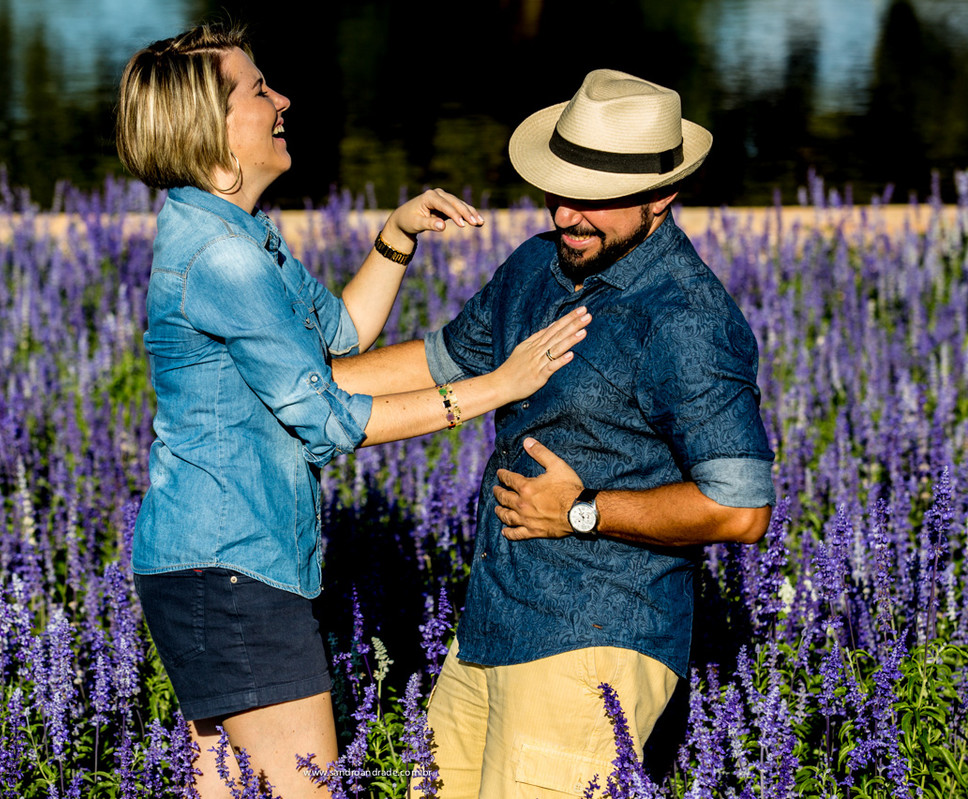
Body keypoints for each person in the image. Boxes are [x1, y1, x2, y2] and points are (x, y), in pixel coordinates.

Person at [114, 23, 592, 799]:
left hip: (214, 564)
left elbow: (337, 334)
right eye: (258, 90)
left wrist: (395, 238)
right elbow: (330, 417)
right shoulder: (225, 257)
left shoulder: (236, 233)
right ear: (211, 131)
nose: (282, 100)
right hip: (232, 567)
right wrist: (495, 388)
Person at [338, 69, 775, 798]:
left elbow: (740, 508)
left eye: (596, 200)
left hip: (593, 647)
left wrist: (583, 509)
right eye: (559, 189)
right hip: (489, 631)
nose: (568, 213)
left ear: (662, 196)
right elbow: (437, 362)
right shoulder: (538, 266)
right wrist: (299, 381)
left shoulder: (687, 319)